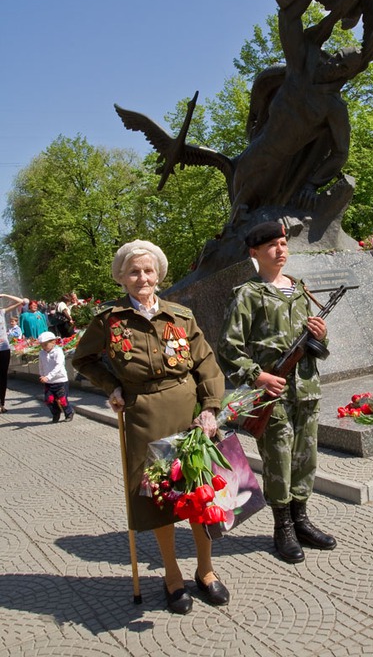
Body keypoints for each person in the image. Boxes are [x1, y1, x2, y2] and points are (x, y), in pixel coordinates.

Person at [72, 240, 228, 615]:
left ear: (158, 274)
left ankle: (206, 570)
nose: (142, 277)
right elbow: (83, 359)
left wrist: (210, 408)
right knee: (161, 499)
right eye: (133, 271)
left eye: (148, 270)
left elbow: (206, 364)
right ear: (122, 278)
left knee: (200, 496)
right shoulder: (108, 320)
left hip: (189, 415)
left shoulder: (181, 316)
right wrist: (112, 387)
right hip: (144, 417)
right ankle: (172, 577)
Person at [217, 221, 336, 564]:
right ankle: (282, 526)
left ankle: (301, 519)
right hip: (273, 394)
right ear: (254, 253)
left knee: (305, 457)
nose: (280, 249)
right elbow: (228, 348)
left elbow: (316, 345)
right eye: (271, 245)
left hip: (307, 389)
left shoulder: (299, 290)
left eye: (283, 243)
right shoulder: (248, 294)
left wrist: (321, 333)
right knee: (278, 460)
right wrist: (258, 377)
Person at [38, 331, 75, 423]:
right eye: (42, 345)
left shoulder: (58, 351)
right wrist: (42, 375)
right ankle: (56, 413)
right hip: (49, 382)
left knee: (62, 400)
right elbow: (41, 365)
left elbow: (58, 366)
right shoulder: (42, 353)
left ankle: (69, 412)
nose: (44, 347)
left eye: (45, 345)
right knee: (48, 400)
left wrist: (48, 376)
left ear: (53, 342)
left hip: (60, 380)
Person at [0, 294, 24, 413]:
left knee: (3, 377)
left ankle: (1, 404)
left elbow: (21, 301)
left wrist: (4, 295)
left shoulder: (2, 312)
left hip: (4, 348)